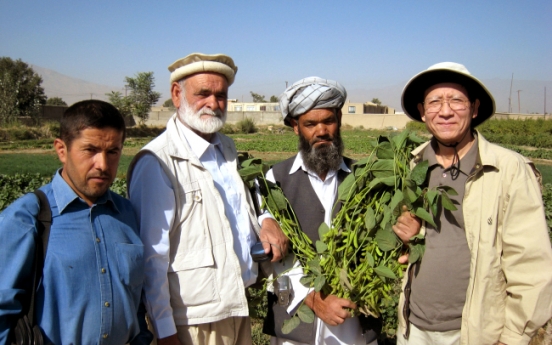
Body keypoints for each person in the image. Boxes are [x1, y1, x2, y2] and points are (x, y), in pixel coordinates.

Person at [126, 52, 288, 345]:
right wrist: (165, 332)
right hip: (193, 321)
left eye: (221, 95)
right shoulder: (158, 162)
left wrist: (266, 219)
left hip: (235, 304)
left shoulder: (226, 148)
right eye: (203, 93)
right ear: (177, 94)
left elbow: (244, 203)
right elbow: (152, 258)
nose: (213, 103)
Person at [396, 62, 552, 345]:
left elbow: (531, 265)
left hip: (476, 333)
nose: (445, 111)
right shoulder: (409, 166)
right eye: (434, 102)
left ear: (475, 108)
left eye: (456, 100)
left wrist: (512, 338)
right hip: (414, 328)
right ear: (422, 111)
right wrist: (404, 240)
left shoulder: (507, 169)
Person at [261, 77, 419, 345]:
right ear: (295, 127)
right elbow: (271, 257)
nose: (321, 131)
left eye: (329, 121)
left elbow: (385, 244)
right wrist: (313, 298)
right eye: (310, 124)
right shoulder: (274, 179)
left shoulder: (367, 180)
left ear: (340, 120)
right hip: (297, 326)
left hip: (355, 324)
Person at [0, 100, 152, 345]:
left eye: (113, 151)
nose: (103, 165)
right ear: (62, 150)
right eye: (90, 150)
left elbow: (137, 299)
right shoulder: (28, 218)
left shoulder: (127, 213)